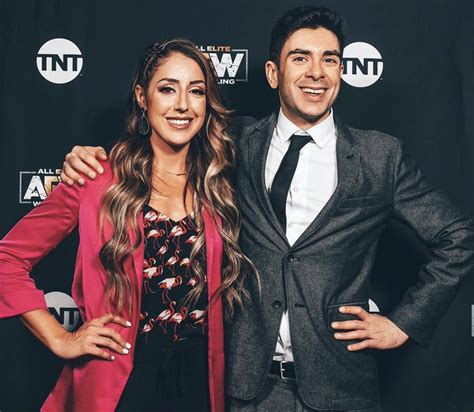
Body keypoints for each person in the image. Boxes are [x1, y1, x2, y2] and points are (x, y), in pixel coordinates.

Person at [60, 6, 474, 412]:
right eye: (301, 58)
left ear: (341, 72)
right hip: (246, 390)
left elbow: (457, 237)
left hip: (341, 387)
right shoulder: (233, 142)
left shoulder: (379, 156)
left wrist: (403, 323)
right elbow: (164, 142)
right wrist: (91, 158)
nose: (317, 72)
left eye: (329, 59)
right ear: (274, 73)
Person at [0, 38, 257, 412]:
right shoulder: (95, 179)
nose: (182, 105)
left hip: (201, 385)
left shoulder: (222, 185)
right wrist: (60, 339)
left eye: (196, 91)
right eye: (167, 89)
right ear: (142, 97)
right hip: (118, 384)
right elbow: (7, 260)